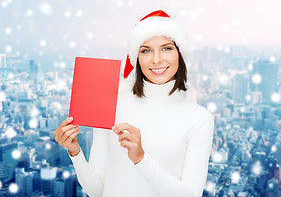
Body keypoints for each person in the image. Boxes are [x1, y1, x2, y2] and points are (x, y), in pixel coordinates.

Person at [54, 10, 214, 197]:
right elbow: (97, 190)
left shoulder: (199, 118)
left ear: (180, 53)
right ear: (136, 57)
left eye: (166, 48)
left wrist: (140, 158)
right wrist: (75, 152)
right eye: (146, 50)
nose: (157, 60)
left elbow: (191, 194)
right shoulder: (113, 102)